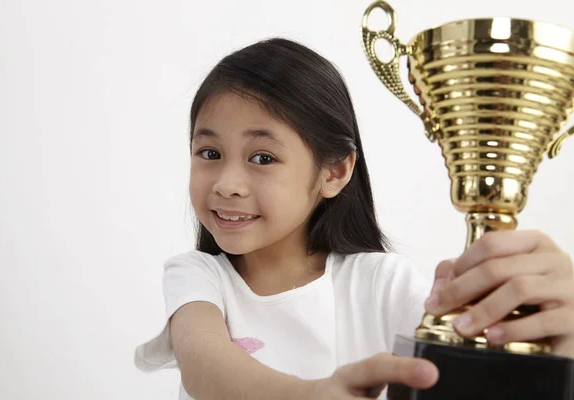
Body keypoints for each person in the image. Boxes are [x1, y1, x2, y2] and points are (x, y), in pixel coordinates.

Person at [134, 38, 574, 399]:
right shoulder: (197, 276)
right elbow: (205, 366)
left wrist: (547, 340)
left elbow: (474, 379)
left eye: (263, 157)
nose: (227, 183)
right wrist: (313, 395)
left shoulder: (383, 284)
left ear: (335, 172)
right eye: (209, 153)